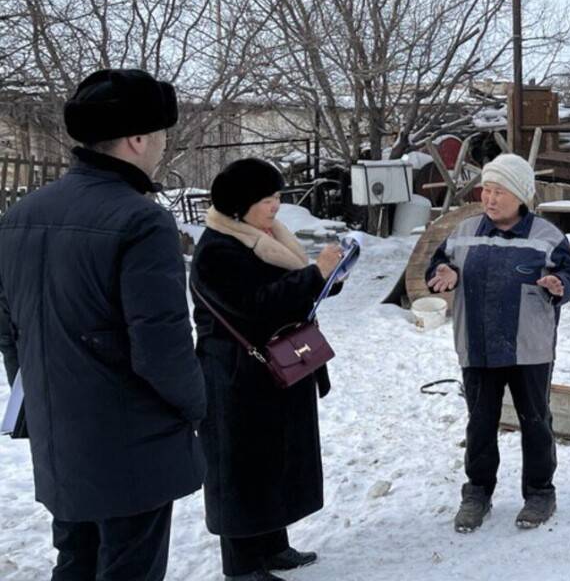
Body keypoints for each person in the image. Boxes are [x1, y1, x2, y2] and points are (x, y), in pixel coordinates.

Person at [0, 69, 205, 580]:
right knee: (127, 567)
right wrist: (197, 405)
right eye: (160, 134)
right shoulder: (142, 220)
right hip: (132, 445)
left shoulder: (21, 215)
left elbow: (9, 331)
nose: (163, 145)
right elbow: (161, 346)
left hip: (60, 437)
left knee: (75, 562)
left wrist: (39, 396)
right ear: (136, 139)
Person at [189, 158, 343, 581]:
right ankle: (241, 566)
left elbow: (291, 293)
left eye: (277, 197)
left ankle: (273, 545)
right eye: (266, 200)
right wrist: (314, 275)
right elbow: (254, 305)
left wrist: (328, 277)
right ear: (240, 205)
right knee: (240, 469)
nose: (276, 206)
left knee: (275, 460)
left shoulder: (267, 237)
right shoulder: (217, 249)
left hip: (275, 367)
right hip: (234, 376)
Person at [426, 153, 570, 533]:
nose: (490, 198)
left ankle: (540, 492)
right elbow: (436, 266)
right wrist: (444, 272)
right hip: (477, 344)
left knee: (536, 422)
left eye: (499, 191)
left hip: (529, 347)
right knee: (480, 424)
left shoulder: (546, 236)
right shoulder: (464, 231)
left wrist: (560, 285)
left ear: (520, 195)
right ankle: (477, 493)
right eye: (486, 190)